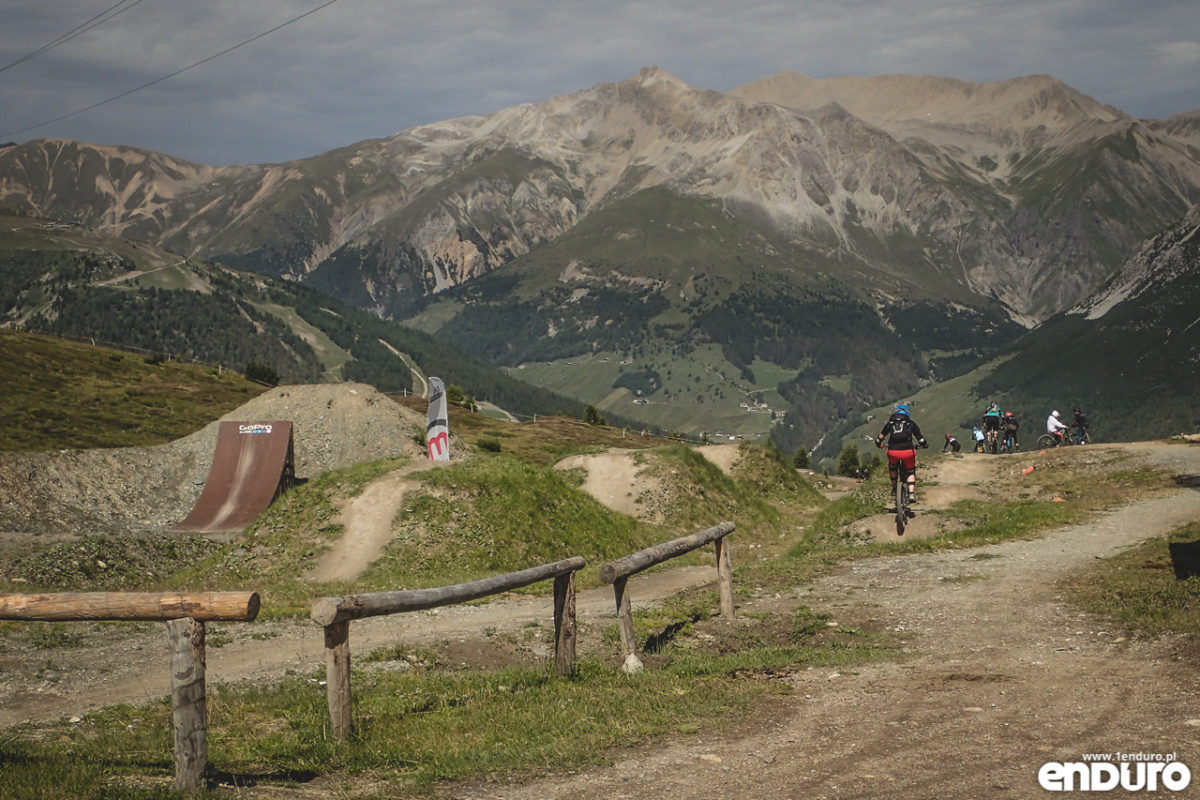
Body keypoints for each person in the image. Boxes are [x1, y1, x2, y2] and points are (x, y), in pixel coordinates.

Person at [875, 403, 928, 505]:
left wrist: (880, 445)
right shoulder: (911, 423)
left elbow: (879, 439)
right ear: (907, 413)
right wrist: (924, 445)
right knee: (910, 470)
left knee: (892, 467)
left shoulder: (890, 423)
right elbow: (921, 439)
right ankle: (911, 492)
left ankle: (894, 489)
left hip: (893, 451)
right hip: (908, 451)